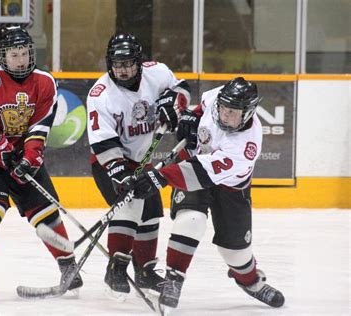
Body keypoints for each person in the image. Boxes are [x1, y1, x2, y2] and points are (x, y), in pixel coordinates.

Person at [123, 77, 285, 312]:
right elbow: (202, 107)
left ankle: (250, 282)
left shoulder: (245, 145)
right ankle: (174, 280)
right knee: (191, 219)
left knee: (236, 253)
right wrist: (192, 116)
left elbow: (199, 172)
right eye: (225, 110)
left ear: (248, 113)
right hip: (194, 162)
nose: (226, 116)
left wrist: (160, 177)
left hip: (228, 185)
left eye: (234, 113)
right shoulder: (220, 96)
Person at [0, 25, 82, 302]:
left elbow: (40, 127)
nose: (21, 59)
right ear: (2, 55)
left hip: (23, 155)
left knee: (46, 212)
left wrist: (31, 157)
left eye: (24, 53)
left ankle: (69, 267)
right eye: (14, 54)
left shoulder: (45, 82)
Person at [86, 33, 191, 299]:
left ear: (139, 61)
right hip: (110, 161)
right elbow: (102, 141)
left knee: (152, 211)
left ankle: (144, 271)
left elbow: (182, 89)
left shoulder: (157, 73)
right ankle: (116, 268)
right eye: (117, 63)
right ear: (109, 63)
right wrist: (119, 172)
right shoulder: (100, 94)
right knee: (131, 204)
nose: (122, 69)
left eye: (128, 63)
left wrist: (173, 103)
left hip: (142, 161)